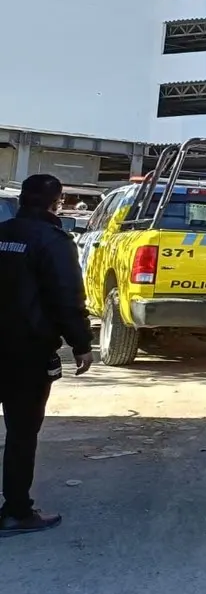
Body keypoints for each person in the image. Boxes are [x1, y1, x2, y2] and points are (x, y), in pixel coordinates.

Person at [0, 174, 93, 536]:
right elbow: (66, 296)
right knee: (22, 432)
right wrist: (81, 343)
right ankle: (17, 511)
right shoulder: (53, 241)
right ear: (58, 202)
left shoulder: (3, 232)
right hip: (27, 351)